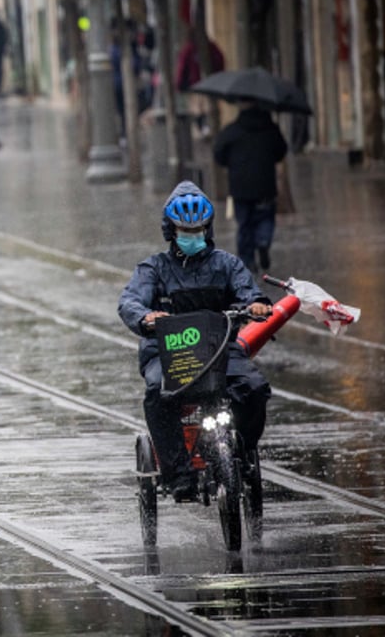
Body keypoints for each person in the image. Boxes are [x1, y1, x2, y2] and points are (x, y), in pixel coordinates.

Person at [117, 182, 273, 501]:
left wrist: (256, 303)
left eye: (198, 230)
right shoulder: (153, 269)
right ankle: (178, 475)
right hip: (167, 354)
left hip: (218, 351)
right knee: (158, 395)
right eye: (185, 230)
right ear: (170, 230)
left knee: (254, 388)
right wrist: (146, 317)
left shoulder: (227, 265)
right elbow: (130, 301)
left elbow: (248, 291)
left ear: (208, 228)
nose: (192, 236)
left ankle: (240, 449)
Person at [214, 103, 289, 273]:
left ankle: (247, 260)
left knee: (244, 224)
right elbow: (281, 151)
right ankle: (263, 242)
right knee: (266, 218)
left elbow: (219, 153)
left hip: (240, 187)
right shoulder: (271, 129)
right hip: (265, 185)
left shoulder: (232, 130)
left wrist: (232, 163)